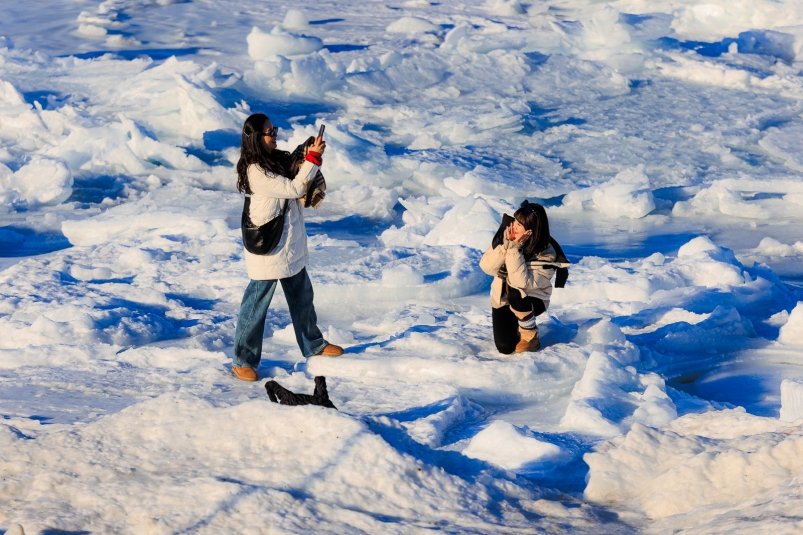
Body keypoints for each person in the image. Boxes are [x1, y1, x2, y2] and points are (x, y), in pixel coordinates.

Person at [231, 113, 343, 382]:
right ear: (256, 138)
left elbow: (293, 165)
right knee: (256, 305)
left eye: (274, 129)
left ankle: (313, 344)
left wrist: (308, 153)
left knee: (303, 297)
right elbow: (294, 188)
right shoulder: (255, 170)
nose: (275, 135)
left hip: (288, 242)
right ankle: (242, 360)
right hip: (268, 246)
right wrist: (312, 160)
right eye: (270, 132)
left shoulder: (273, 159)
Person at [479, 200, 570, 354]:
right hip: (503, 298)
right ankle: (516, 325)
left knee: (516, 293)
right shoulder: (506, 237)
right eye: (515, 221)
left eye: (519, 225)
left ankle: (530, 334)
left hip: (531, 298)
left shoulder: (547, 253)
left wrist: (514, 250)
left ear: (530, 232)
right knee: (505, 347)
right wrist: (506, 246)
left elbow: (521, 282)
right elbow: (487, 267)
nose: (513, 226)